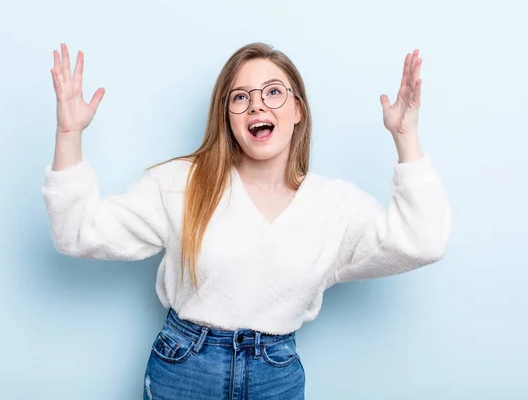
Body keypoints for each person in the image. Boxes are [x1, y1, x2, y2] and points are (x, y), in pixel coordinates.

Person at [42, 42, 451, 400]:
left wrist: (405, 136)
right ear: (229, 117)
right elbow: (78, 234)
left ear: (297, 110)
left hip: (275, 376)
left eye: (273, 92)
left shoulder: (334, 205)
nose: (257, 104)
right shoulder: (181, 184)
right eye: (241, 97)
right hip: (184, 368)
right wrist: (68, 134)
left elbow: (423, 242)